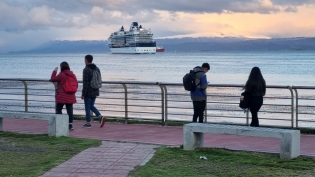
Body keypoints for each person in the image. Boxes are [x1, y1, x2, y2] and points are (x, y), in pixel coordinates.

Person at [50, 62, 77, 130]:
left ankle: (61, 123)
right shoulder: (72, 75)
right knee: (70, 111)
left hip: (62, 95)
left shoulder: (62, 74)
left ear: (61, 67)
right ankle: (70, 125)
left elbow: (53, 78)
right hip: (70, 95)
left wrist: (55, 71)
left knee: (58, 109)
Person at [81, 54, 106, 128]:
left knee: (87, 107)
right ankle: (100, 116)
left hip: (88, 90)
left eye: (84, 59)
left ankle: (88, 123)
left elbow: (85, 83)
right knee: (91, 105)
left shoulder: (86, 69)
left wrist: (83, 93)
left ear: (86, 60)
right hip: (95, 89)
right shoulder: (97, 68)